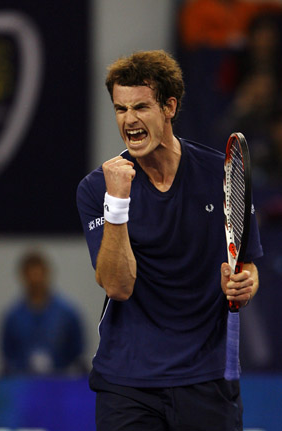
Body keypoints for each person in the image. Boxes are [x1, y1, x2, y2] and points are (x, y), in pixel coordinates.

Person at [77, 50, 263, 430]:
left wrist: (244, 282)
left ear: (169, 107)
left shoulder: (221, 173)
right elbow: (117, 285)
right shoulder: (99, 187)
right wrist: (116, 203)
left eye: (140, 107)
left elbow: (246, 265)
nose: (128, 120)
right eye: (120, 109)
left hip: (207, 380)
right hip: (127, 384)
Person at [0, 250, 87, 375]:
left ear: (47, 274)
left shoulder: (67, 314)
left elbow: (77, 353)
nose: (35, 280)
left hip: (61, 383)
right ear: (23, 277)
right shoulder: (13, 317)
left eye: (39, 275)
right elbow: (8, 355)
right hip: (23, 383)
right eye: (31, 275)